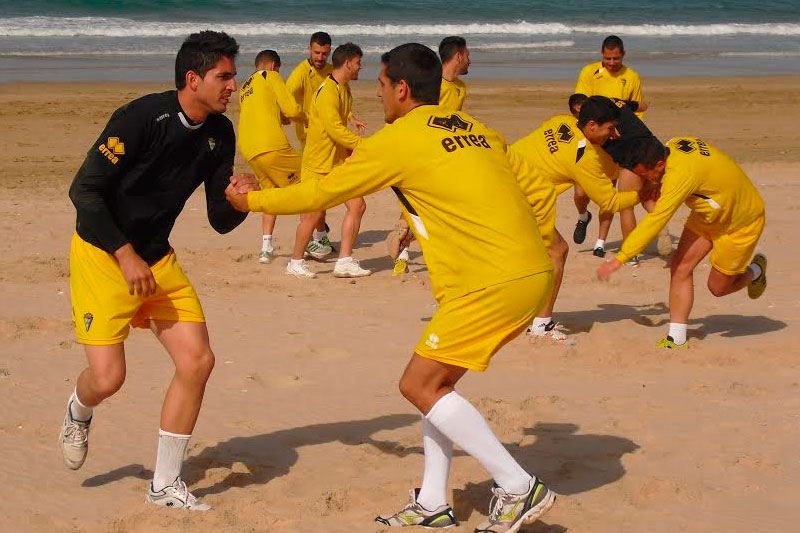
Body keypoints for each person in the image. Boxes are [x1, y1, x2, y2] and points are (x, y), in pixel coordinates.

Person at [226, 43, 557, 532]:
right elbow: (529, 179)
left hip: (493, 281)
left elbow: (323, 192)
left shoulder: (396, 140)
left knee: (417, 385)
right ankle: (432, 501)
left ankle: (516, 485)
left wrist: (252, 200)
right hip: (524, 271)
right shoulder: (475, 128)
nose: (376, 94)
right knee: (436, 391)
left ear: (402, 89)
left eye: (380, 85)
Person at [59, 31, 248, 510]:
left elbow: (220, 222)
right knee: (107, 380)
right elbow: (84, 193)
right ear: (193, 78)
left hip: (157, 260)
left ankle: (164, 484)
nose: (233, 85)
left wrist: (241, 200)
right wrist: (124, 253)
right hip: (104, 257)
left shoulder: (220, 133)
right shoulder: (141, 118)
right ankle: (78, 411)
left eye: (233, 76)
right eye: (224, 76)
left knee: (198, 361)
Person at [597, 136, 767, 348]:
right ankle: (676, 338)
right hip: (707, 215)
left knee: (718, 288)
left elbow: (655, 221)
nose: (645, 180)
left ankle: (756, 271)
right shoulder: (673, 145)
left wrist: (620, 259)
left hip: (741, 222)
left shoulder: (680, 177)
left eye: (645, 174)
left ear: (660, 165)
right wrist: (653, 181)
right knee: (679, 267)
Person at [510, 96, 642, 340]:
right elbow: (610, 202)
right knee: (557, 252)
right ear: (591, 125)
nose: (613, 135)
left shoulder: (560, 121)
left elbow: (547, 127)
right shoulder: (584, 159)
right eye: (610, 128)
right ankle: (541, 325)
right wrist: (643, 194)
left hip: (499, 175)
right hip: (518, 197)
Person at [572, 36, 669, 262]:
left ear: (623, 54)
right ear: (601, 55)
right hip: (648, 144)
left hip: (623, 150)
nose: (612, 62)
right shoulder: (589, 73)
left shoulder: (631, 77)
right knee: (646, 198)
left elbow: (638, 107)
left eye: (616, 58)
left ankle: (631, 253)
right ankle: (659, 229)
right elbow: (631, 106)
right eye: (607, 58)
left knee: (626, 204)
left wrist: (616, 130)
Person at [390, 35, 471, 276]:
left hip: (444, 155)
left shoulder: (460, 88)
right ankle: (401, 249)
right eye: (467, 55)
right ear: (458, 56)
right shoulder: (434, 85)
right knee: (415, 204)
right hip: (420, 154)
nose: (470, 60)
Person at [286, 32, 367, 257]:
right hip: (312, 142)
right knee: (313, 212)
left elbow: (339, 110)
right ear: (309, 50)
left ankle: (335, 253)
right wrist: (295, 115)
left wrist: (350, 117)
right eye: (316, 52)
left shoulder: (336, 77)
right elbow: (285, 97)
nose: (320, 57)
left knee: (355, 205)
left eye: (324, 53)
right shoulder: (302, 73)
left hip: (334, 150)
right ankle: (302, 254)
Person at [237, 49, 305, 264]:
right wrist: (309, 119)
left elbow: (268, 112)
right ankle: (317, 239)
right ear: (273, 65)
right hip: (271, 146)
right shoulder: (271, 76)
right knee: (311, 184)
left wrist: (283, 117)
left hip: (249, 149)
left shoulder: (245, 86)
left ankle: (266, 248)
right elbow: (292, 110)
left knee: (271, 194)